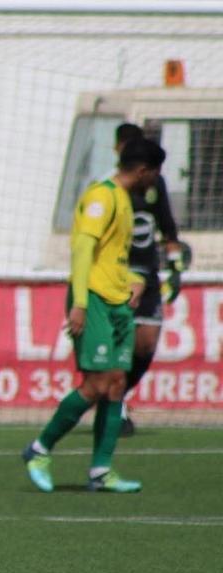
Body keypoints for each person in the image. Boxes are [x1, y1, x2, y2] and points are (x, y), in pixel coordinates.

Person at [21, 138, 166, 493]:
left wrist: (132, 281)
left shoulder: (125, 201)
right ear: (144, 170)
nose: (156, 182)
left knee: (117, 383)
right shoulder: (102, 196)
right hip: (96, 299)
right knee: (97, 384)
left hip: (117, 299)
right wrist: (81, 303)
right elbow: (84, 248)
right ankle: (39, 449)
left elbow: (114, 254)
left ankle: (101, 470)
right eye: (156, 173)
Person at [111, 124, 183, 437]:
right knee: (120, 344)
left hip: (149, 274)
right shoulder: (108, 186)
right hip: (119, 274)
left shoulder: (155, 183)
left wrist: (176, 265)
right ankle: (115, 406)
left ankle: (118, 395)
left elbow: (167, 226)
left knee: (146, 343)